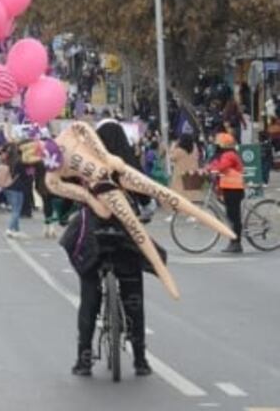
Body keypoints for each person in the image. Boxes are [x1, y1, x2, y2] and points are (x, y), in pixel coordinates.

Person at [63, 120, 155, 378]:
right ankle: (140, 359)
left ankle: (83, 359)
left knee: (89, 297)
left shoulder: (86, 164)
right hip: (125, 237)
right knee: (133, 295)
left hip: (93, 238)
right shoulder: (128, 165)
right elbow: (147, 198)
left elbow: (65, 185)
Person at [207, 132, 245, 253]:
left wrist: (210, 170)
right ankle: (233, 241)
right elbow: (215, 164)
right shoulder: (227, 154)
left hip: (234, 188)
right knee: (231, 215)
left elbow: (220, 166)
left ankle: (236, 242)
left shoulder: (229, 155)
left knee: (234, 216)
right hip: (230, 188)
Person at [168, 134, 202, 202]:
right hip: (192, 173)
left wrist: (173, 146)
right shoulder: (194, 148)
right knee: (190, 193)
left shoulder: (179, 151)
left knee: (180, 193)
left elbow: (171, 157)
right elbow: (198, 156)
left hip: (180, 173)